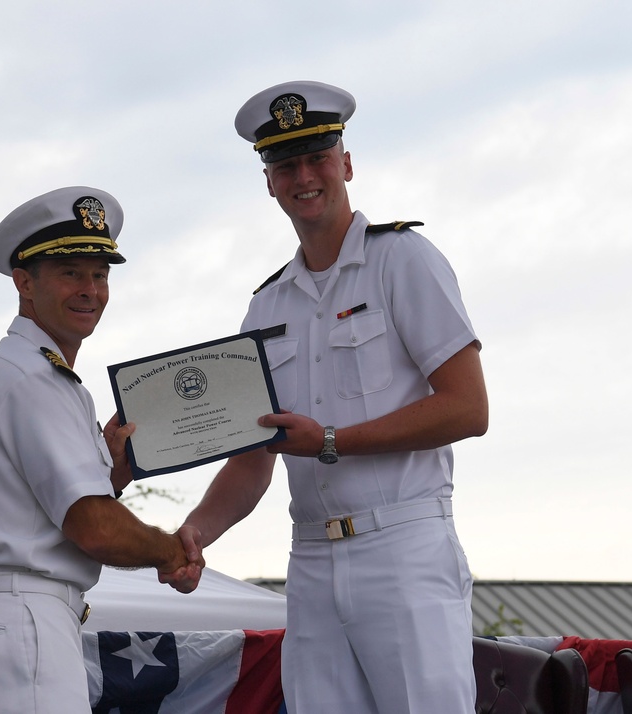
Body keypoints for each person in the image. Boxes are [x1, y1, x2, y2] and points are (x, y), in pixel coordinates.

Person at [179, 82, 489, 713]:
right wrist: (192, 536)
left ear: (346, 163)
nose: (305, 176)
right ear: (269, 182)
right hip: (312, 557)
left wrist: (329, 441)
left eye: (317, 157)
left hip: (402, 546)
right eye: (286, 164)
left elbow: (468, 407)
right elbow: (253, 456)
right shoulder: (266, 306)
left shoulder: (403, 260)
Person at [0, 186, 204, 714]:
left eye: (100, 274)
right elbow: (94, 529)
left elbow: (36, 512)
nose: (90, 290)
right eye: (71, 273)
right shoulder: (35, 379)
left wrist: (110, 479)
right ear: (24, 283)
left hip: (4, 620)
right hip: (21, 618)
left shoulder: (27, 372)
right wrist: (172, 551)